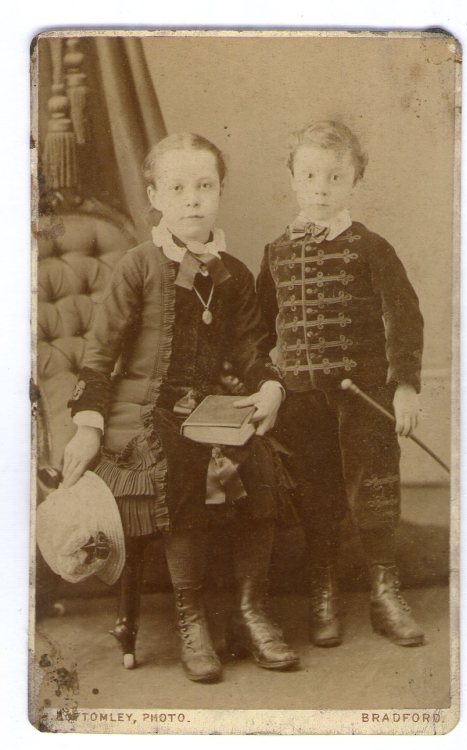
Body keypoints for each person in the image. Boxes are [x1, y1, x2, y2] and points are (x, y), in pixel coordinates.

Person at [62, 132, 299, 683]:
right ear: (155, 197)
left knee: (260, 460)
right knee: (179, 467)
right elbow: (100, 354)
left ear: (219, 191)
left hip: (211, 406)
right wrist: (88, 426)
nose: (192, 199)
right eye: (177, 187)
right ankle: (191, 616)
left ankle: (249, 610)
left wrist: (270, 388)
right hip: (142, 411)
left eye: (204, 185)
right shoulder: (139, 266)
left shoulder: (233, 273)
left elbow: (250, 348)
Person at [257, 120, 425, 647]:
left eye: (334, 176)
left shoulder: (371, 247)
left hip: (365, 397)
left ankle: (383, 589)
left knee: (373, 488)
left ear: (355, 181)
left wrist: (406, 386)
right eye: (309, 175)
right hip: (302, 401)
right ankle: (323, 587)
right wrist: (270, 382)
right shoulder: (276, 252)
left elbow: (405, 317)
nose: (321, 187)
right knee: (316, 493)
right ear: (292, 178)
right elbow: (262, 329)